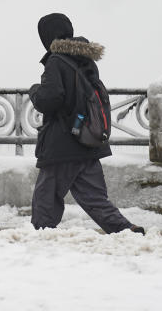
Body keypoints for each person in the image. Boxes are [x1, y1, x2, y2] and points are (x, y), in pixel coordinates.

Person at [28, 12, 145, 235]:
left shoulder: (55, 61)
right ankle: (125, 229)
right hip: (87, 139)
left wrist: (35, 91)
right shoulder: (84, 59)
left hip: (62, 143)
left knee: (46, 195)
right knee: (94, 198)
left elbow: (50, 99)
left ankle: (40, 236)